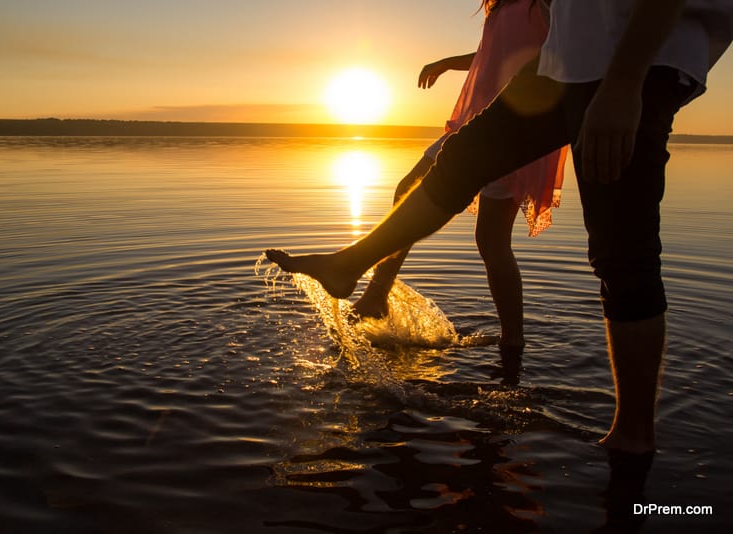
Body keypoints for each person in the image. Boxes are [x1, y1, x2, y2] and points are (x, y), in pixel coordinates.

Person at [266, 0, 731, 462]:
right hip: (560, 69)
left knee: (620, 251)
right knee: (459, 162)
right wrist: (539, 63)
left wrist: (623, 85)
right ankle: (351, 265)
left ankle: (633, 438)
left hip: (635, 68)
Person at [353, 0, 568, 357]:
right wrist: (448, 63)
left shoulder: (542, 2)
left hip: (517, 127)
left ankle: (513, 340)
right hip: (477, 122)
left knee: (491, 239)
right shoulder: (500, 6)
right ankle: (377, 293)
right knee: (410, 188)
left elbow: (558, 47)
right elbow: (493, 54)